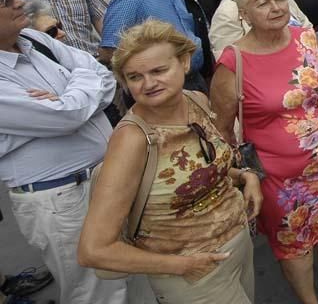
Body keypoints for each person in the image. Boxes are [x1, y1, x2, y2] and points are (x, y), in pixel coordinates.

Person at [78, 21, 261, 304]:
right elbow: (94, 249)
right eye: (135, 77)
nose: (149, 84)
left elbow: (198, 169)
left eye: (159, 70)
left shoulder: (196, 101)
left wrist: (246, 176)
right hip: (194, 276)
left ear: (185, 62)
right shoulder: (132, 140)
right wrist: (183, 266)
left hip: (239, 244)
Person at [211, 0, 318, 304]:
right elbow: (221, 131)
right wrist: (241, 176)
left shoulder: (305, 36)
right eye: (262, 3)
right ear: (243, 14)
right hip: (277, 178)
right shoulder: (232, 62)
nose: (276, 8)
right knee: (294, 243)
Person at [0, 0, 127, 303]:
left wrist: (67, 94)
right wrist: (75, 94)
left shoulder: (33, 38)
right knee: (96, 290)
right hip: (61, 199)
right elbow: (66, 116)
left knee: (135, 276)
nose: (20, 3)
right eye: (5, 0)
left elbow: (102, 74)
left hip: (105, 180)